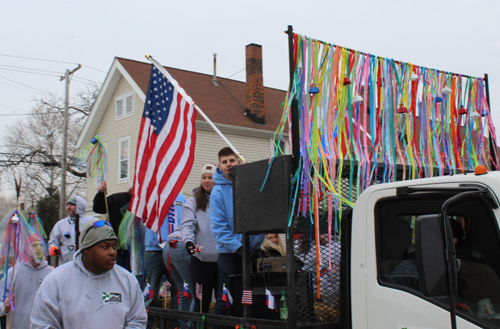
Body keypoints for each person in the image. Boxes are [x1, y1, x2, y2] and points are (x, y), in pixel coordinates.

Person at [30, 219, 147, 329]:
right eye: (105, 247)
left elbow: (137, 322)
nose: (112, 252)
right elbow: (41, 323)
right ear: (86, 249)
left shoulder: (127, 281)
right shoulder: (56, 280)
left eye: (114, 246)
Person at [210, 147, 265, 316]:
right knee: (227, 299)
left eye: (232, 161)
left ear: (238, 162)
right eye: (225, 162)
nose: (229, 165)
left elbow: (260, 216)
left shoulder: (250, 186)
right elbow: (219, 228)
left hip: (253, 252)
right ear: (219, 166)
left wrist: (253, 246)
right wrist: (239, 248)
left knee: (253, 299)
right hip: (230, 255)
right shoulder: (217, 192)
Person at [179, 164, 219, 314]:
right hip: (201, 259)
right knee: (201, 302)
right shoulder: (192, 202)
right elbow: (187, 225)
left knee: (223, 300)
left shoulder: (223, 199)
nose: (206, 181)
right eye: (204, 177)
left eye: (210, 177)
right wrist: (188, 242)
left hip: (222, 258)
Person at [0, 234, 52, 329]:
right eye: (34, 245)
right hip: (17, 325)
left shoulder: (52, 273)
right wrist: (5, 307)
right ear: (26, 250)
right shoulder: (14, 272)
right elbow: (1, 298)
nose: (38, 248)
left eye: (41, 245)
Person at [144, 193, 185, 309]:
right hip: (154, 251)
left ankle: (176, 324)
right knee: (151, 291)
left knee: (177, 290)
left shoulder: (181, 198)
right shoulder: (151, 196)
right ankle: (149, 323)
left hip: (175, 250)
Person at [93, 181, 132, 270]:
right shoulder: (118, 199)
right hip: (120, 250)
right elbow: (99, 208)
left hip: (139, 251)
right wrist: (101, 194)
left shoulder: (146, 203)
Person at [48, 195, 95, 265]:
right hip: (66, 265)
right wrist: (53, 247)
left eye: (72, 205)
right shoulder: (60, 224)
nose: (68, 207)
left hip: (86, 265)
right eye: (67, 205)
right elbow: (53, 240)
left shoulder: (91, 221)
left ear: (80, 206)